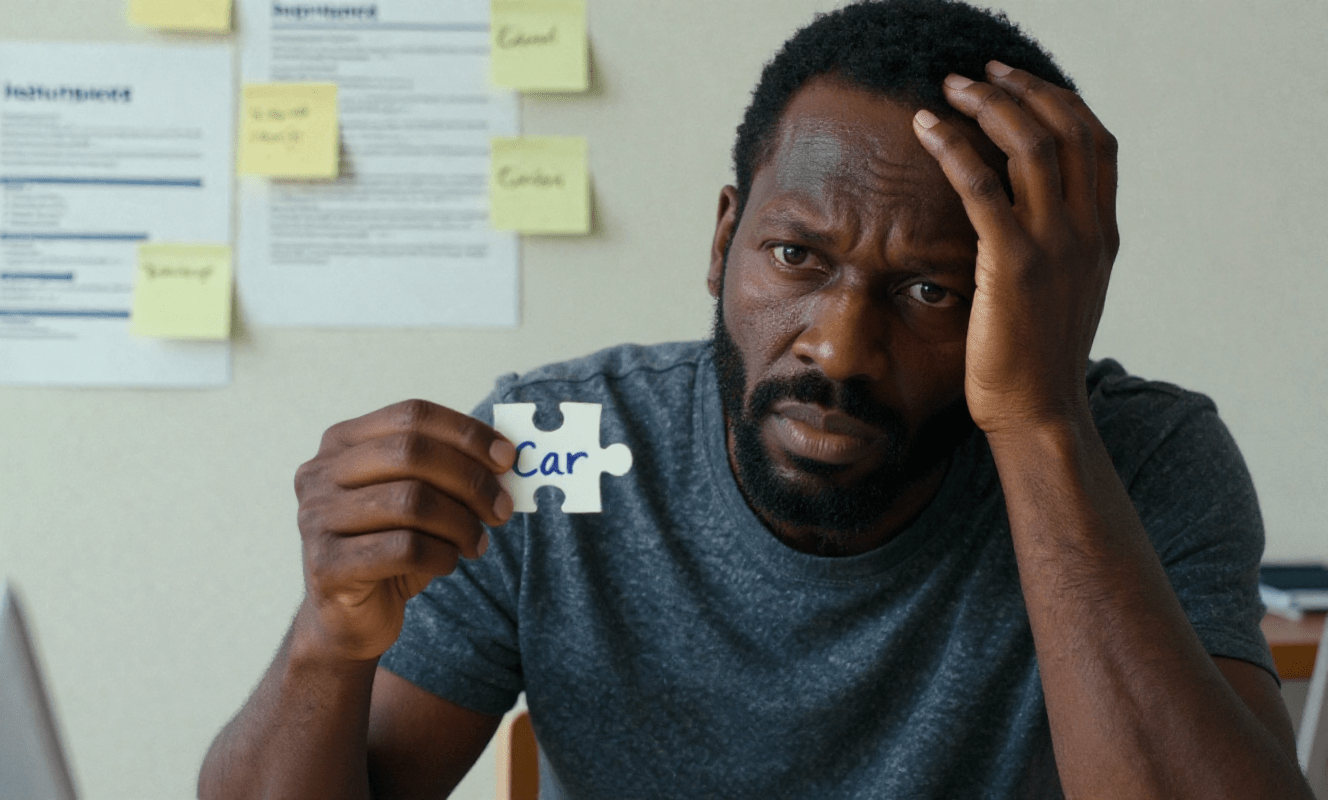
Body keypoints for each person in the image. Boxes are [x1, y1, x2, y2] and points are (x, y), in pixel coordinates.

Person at [198, 1, 1314, 798]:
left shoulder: (1142, 458)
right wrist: (324, 642)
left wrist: (1040, 417)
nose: (837, 345)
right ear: (722, 236)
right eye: (793, 255)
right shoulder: (563, 444)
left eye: (932, 287)